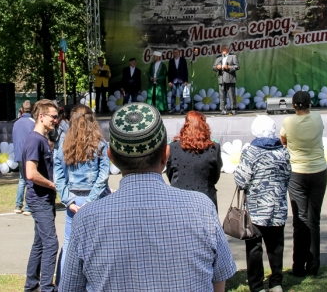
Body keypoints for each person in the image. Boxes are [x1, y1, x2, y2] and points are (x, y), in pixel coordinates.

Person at [60, 102, 236, 292]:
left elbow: (69, 287)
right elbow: (219, 280)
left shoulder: (86, 220)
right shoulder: (202, 208)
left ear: (111, 157)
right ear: (165, 155)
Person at [54, 106, 110, 284]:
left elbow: (58, 176)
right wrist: (92, 199)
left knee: (69, 245)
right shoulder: (100, 143)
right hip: (96, 199)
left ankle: (65, 285)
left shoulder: (64, 144)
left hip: (74, 199)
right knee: (98, 245)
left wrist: (68, 200)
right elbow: (103, 176)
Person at [234, 115, 291, 292]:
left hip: (257, 209)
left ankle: (257, 286)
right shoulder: (283, 151)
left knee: (254, 248)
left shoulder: (251, 151)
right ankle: (276, 283)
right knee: (276, 247)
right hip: (278, 208)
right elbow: (288, 176)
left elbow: (241, 180)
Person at [279, 90, 327, 277]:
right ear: (310, 105)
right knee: (314, 220)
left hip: (297, 172)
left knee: (300, 220)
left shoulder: (288, 122)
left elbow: (283, 139)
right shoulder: (317, 118)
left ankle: (298, 265)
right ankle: (314, 265)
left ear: (293, 106)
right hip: (318, 171)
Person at [23, 100, 60, 292]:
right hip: (39, 199)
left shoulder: (42, 139)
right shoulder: (35, 140)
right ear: (41, 116)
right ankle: (47, 287)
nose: (56, 119)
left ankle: (31, 285)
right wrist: (53, 184)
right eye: (53, 116)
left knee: (39, 242)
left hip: (44, 198)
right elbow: (31, 173)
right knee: (51, 243)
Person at [165, 110, 222, 209]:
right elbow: (215, 176)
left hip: (178, 200)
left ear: (185, 126)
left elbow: (170, 173)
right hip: (206, 200)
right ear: (204, 126)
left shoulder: (173, 147)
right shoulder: (214, 148)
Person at [14, 100, 35, 215]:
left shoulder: (16, 123)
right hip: (29, 155)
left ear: (21, 110)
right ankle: (28, 206)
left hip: (19, 154)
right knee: (30, 180)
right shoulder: (32, 123)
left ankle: (18, 205)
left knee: (22, 179)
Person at [213, 45, 239, 115]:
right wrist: (217, 67)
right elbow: (214, 67)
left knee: (231, 95)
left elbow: (237, 66)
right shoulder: (219, 57)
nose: (223, 50)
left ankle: (233, 109)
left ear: (228, 49)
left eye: (224, 48)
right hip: (221, 79)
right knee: (222, 95)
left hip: (230, 78)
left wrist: (229, 67)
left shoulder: (233, 56)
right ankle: (223, 109)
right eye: (222, 48)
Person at [167, 48, 188, 114]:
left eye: (177, 52)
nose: (176, 53)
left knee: (182, 95)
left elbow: (185, 71)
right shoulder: (171, 61)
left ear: (179, 53)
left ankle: (182, 109)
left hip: (181, 80)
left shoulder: (183, 60)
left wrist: (186, 80)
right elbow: (169, 72)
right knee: (173, 95)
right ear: (173, 53)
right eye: (174, 52)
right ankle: (172, 109)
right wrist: (169, 81)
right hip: (173, 80)